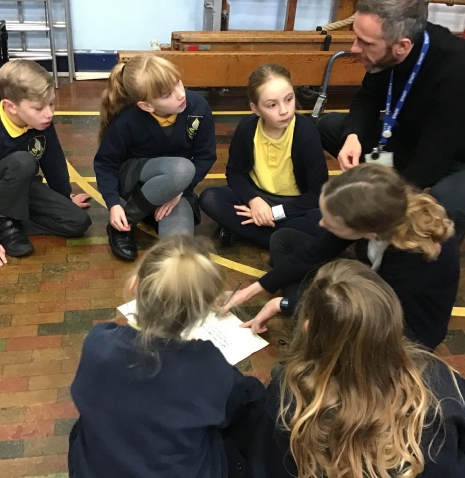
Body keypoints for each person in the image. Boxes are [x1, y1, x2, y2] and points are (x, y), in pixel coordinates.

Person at [248, 259, 465, 478]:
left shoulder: (289, 396)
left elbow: (265, 465)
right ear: (394, 321)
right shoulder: (441, 383)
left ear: (307, 326)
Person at [68, 235, 264, 478]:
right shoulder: (208, 366)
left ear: (135, 284)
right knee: (253, 403)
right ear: (204, 309)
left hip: (92, 469)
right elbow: (236, 406)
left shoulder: (98, 341)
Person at [223, 164, 460, 351]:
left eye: (331, 223)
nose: (321, 224)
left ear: (369, 231)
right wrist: (254, 289)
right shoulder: (380, 208)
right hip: (371, 282)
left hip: (400, 325)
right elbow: (314, 252)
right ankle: (308, 311)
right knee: (285, 239)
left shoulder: (415, 253)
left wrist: (284, 304)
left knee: (322, 335)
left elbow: (371, 310)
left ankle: (307, 313)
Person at [317, 0, 465, 227]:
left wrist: (378, 205)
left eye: (365, 42)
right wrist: (353, 136)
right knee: (330, 126)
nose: (354, 48)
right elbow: (367, 98)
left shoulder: (456, 70)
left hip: (453, 158)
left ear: (402, 46)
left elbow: (432, 160)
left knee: (445, 200)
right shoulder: (388, 48)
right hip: (408, 139)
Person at [0, 59, 91, 267]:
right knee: (23, 161)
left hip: (18, 188)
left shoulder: (41, 122)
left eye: (52, 103)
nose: (49, 113)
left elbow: (54, 162)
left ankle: (11, 220)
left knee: (78, 223)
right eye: (39, 108)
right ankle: (1, 223)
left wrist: (64, 197)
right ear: (10, 106)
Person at [94, 54, 216, 261]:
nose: (180, 94)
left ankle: (149, 213)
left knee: (178, 251)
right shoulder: (127, 120)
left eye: (178, 82)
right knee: (182, 168)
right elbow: (106, 164)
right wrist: (114, 205)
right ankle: (126, 221)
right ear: (146, 106)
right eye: (168, 94)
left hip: (176, 188)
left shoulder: (198, 106)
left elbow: (206, 156)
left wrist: (179, 190)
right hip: (136, 184)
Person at [199, 63, 328, 249]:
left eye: (289, 99)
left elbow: (317, 193)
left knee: (322, 223)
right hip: (257, 197)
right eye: (272, 105)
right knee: (210, 198)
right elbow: (235, 173)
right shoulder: (247, 128)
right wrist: (254, 201)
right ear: (256, 109)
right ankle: (282, 238)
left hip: (294, 206)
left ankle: (244, 229)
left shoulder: (306, 132)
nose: (284, 110)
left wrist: (274, 213)